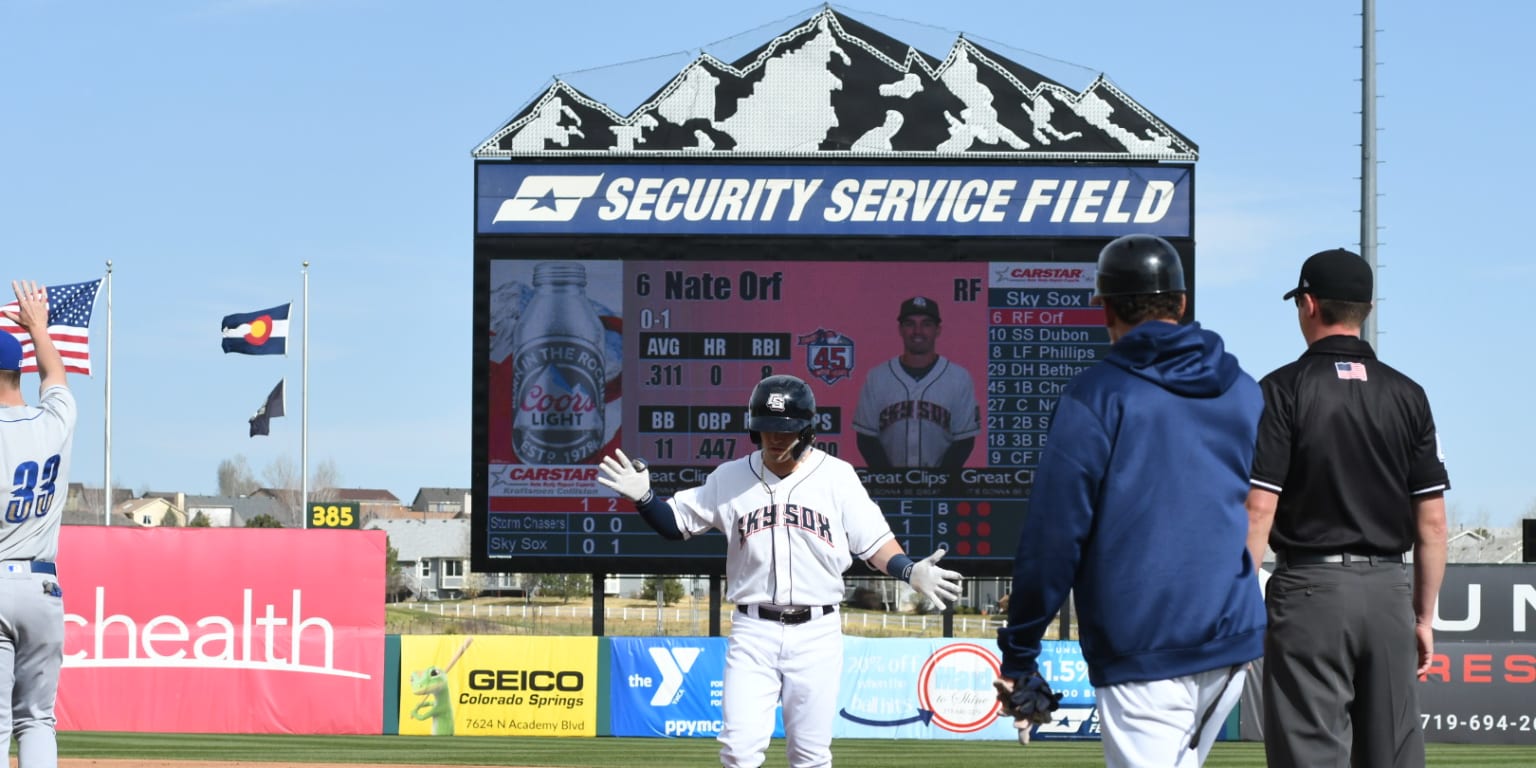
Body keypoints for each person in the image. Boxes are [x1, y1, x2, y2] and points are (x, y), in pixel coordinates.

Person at [995, 235, 1266, 766]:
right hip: (1231, 640)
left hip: (1143, 642)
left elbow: (1054, 536)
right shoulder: (1245, 390)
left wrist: (1020, 650)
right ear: (1182, 303)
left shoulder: (1097, 394)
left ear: (1105, 306)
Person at [598, 374, 962, 768]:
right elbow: (676, 524)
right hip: (754, 630)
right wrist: (646, 499)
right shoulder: (730, 477)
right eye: (766, 428)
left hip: (817, 631)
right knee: (738, 750)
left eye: (785, 430)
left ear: (807, 430)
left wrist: (908, 571)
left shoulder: (837, 477)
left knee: (809, 755)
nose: (774, 438)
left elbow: (874, 544)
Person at [1246, 248, 1450, 768]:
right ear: (1367, 308)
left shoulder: (1280, 390)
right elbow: (1432, 524)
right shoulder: (1410, 395)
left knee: (1310, 756)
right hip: (1389, 595)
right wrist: (1422, 617)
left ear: (1308, 304)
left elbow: (1258, 510)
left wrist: (1238, 600)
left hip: (1309, 593)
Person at [0, 281, 77, 767]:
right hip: (43, 587)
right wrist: (38, 327)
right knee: (37, 719)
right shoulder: (55, 422)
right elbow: (57, 375)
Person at [853, 296, 979, 472]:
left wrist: (941, 480)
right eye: (910, 324)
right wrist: (889, 479)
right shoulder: (877, 377)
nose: (917, 331)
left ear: (938, 330)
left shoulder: (958, 378)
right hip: (888, 485)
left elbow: (964, 440)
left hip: (943, 486)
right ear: (901, 330)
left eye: (926, 324)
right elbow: (866, 439)